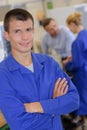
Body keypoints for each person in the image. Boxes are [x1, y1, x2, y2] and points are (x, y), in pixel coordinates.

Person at [0, 8, 79, 130]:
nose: (25, 37)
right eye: (17, 31)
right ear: (7, 35)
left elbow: (74, 100)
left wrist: (35, 107)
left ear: (33, 31)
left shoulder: (49, 63)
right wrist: (54, 107)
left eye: (28, 30)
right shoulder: (3, 74)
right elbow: (20, 124)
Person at [64, 12, 87, 127]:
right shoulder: (86, 35)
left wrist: (67, 64)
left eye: (69, 27)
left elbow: (77, 64)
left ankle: (80, 120)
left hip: (82, 74)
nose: (69, 29)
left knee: (82, 97)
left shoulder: (77, 42)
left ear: (72, 24)